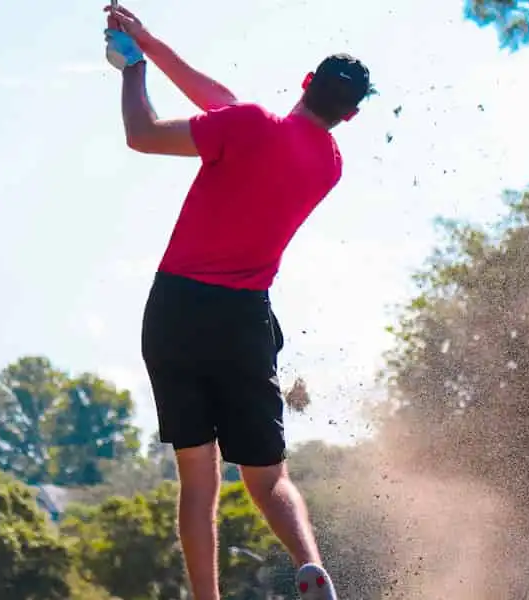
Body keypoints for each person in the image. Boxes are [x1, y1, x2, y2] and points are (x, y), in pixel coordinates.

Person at [102, 5, 372, 600]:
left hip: (175, 311)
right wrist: (148, 40)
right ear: (349, 115)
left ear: (305, 81)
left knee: (198, 480)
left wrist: (131, 67)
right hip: (243, 319)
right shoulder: (328, 165)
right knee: (267, 476)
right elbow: (222, 102)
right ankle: (310, 565)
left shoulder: (246, 125)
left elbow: (142, 134)